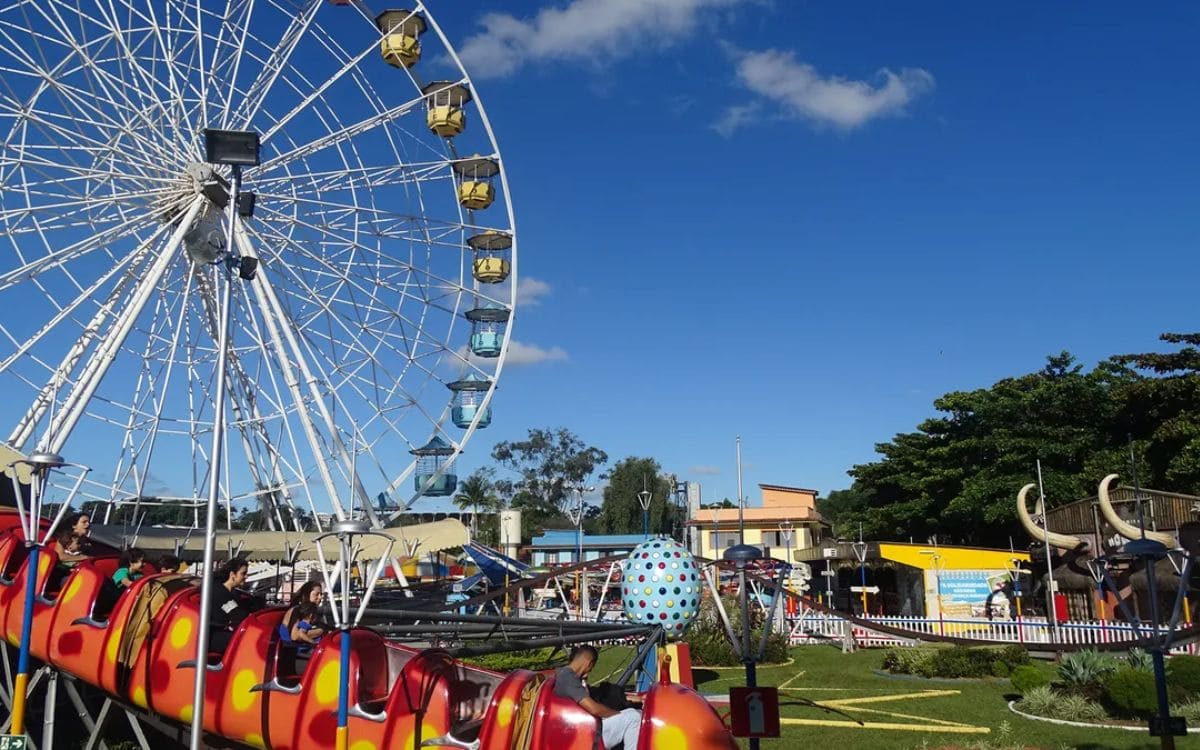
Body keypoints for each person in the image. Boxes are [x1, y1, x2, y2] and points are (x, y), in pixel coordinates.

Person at [553, 645, 641, 750]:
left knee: (637, 712)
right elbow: (594, 709)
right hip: (587, 733)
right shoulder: (568, 678)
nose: (590, 671)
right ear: (589, 663)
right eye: (591, 667)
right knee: (634, 717)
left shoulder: (566, 675)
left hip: (583, 726)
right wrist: (617, 714)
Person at [208, 557, 251, 654]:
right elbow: (235, 613)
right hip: (212, 634)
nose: (246, 577)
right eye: (243, 573)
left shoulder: (233, 593)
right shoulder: (219, 592)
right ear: (232, 574)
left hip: (222, 630)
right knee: (245, 642)